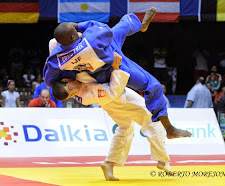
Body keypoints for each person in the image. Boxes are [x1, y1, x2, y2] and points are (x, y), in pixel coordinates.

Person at [44, 8, 190, 139]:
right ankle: (169, 129)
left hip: (105, 59)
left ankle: (141, 26)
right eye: (75, 32)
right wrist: (77, 26)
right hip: (115, 62)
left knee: (123, 26)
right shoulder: (91, 40)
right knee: (152, 84)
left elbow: (49, 80)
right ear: (73, 37)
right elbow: (101, 28)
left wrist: (69, 75)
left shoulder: (56, 57)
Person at [52, 59, 181, 181]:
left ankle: (109, 163)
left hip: (111, 103)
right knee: (151, 118)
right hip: (117, 99)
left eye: (71, 89)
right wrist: (116, 68)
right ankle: (162, 160)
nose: (75, 90)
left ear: (65, 80)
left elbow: (53, 44)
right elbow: (114, 90)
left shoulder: (73, 73)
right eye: (72, 94)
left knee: (125, 127)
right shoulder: (85, 96)